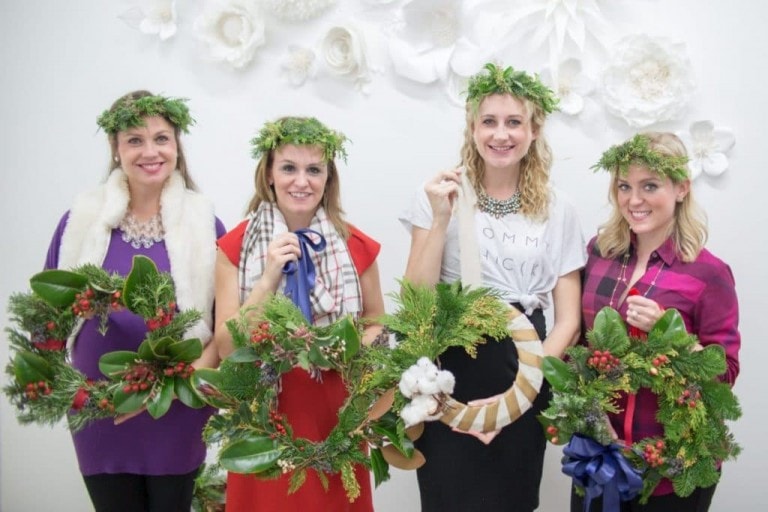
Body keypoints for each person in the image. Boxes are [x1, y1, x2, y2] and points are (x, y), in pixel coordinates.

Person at [399, 62, 586, 512]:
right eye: (489, 121)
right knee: (448, 499)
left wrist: (519, 396)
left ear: (534, 130)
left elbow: (569, 321)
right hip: (449, 366)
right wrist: (440, 219)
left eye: (514, 122)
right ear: (472, 128)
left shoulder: (559, 208)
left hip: (526, 365)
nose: (501, 134)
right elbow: (415, 302)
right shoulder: (439, 193)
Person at [43, 90, 226, 511]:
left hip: (176, 411)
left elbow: (224, 327)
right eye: (134, 140)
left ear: (177, 145)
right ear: (116, 148)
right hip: (99, 411)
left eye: (161, 138)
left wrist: (174, 389)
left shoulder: (205, 225)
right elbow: (48, 318)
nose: (150, 152)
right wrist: (65, 389)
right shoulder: (80, 221)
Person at [214, 116, 385, 512]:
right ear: (269, 174)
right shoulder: (234, 248)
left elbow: (377, 323)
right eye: (289, 168)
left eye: (314, 170)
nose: (301, 182)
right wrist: (269, 277)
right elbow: (226, 347)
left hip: (336, 414)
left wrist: (352, 352)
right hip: (266, 415)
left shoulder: (356, 247)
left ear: (328, 178)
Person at [573, 132, 740, 512]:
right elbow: (579, 348)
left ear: (681, 188)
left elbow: (726, 374)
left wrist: (670, 332)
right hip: (599, 456)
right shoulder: (599, 253)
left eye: (650, 186)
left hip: (671, 467)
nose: (634, 200)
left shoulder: (708, 273)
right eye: (624, 186)